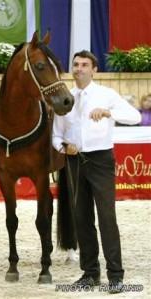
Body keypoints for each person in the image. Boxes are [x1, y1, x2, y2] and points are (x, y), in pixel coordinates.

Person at [52, 50, 141, 294]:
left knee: (106, 218)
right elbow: (56, 134)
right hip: (73, 161)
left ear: (94, 70)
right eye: (76, 64)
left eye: (84, 65)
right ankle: (90, 273)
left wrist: (109, 112)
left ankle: (116, 275)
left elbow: (134, 116)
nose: (79, 68)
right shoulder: (65, 97)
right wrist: (61, 146)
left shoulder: (106, 94)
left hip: (101, 160)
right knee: (81, 219)